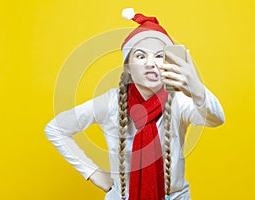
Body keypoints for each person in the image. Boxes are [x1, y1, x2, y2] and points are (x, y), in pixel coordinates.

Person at [44, 8, 225, 200]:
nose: (151, 63)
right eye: (140, 56)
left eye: (159, 56)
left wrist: (197, 89)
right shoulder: (111, 102)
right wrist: (93, 173)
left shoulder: (179, 100)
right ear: (128, 66)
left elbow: (216, 119)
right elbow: (56, 129)